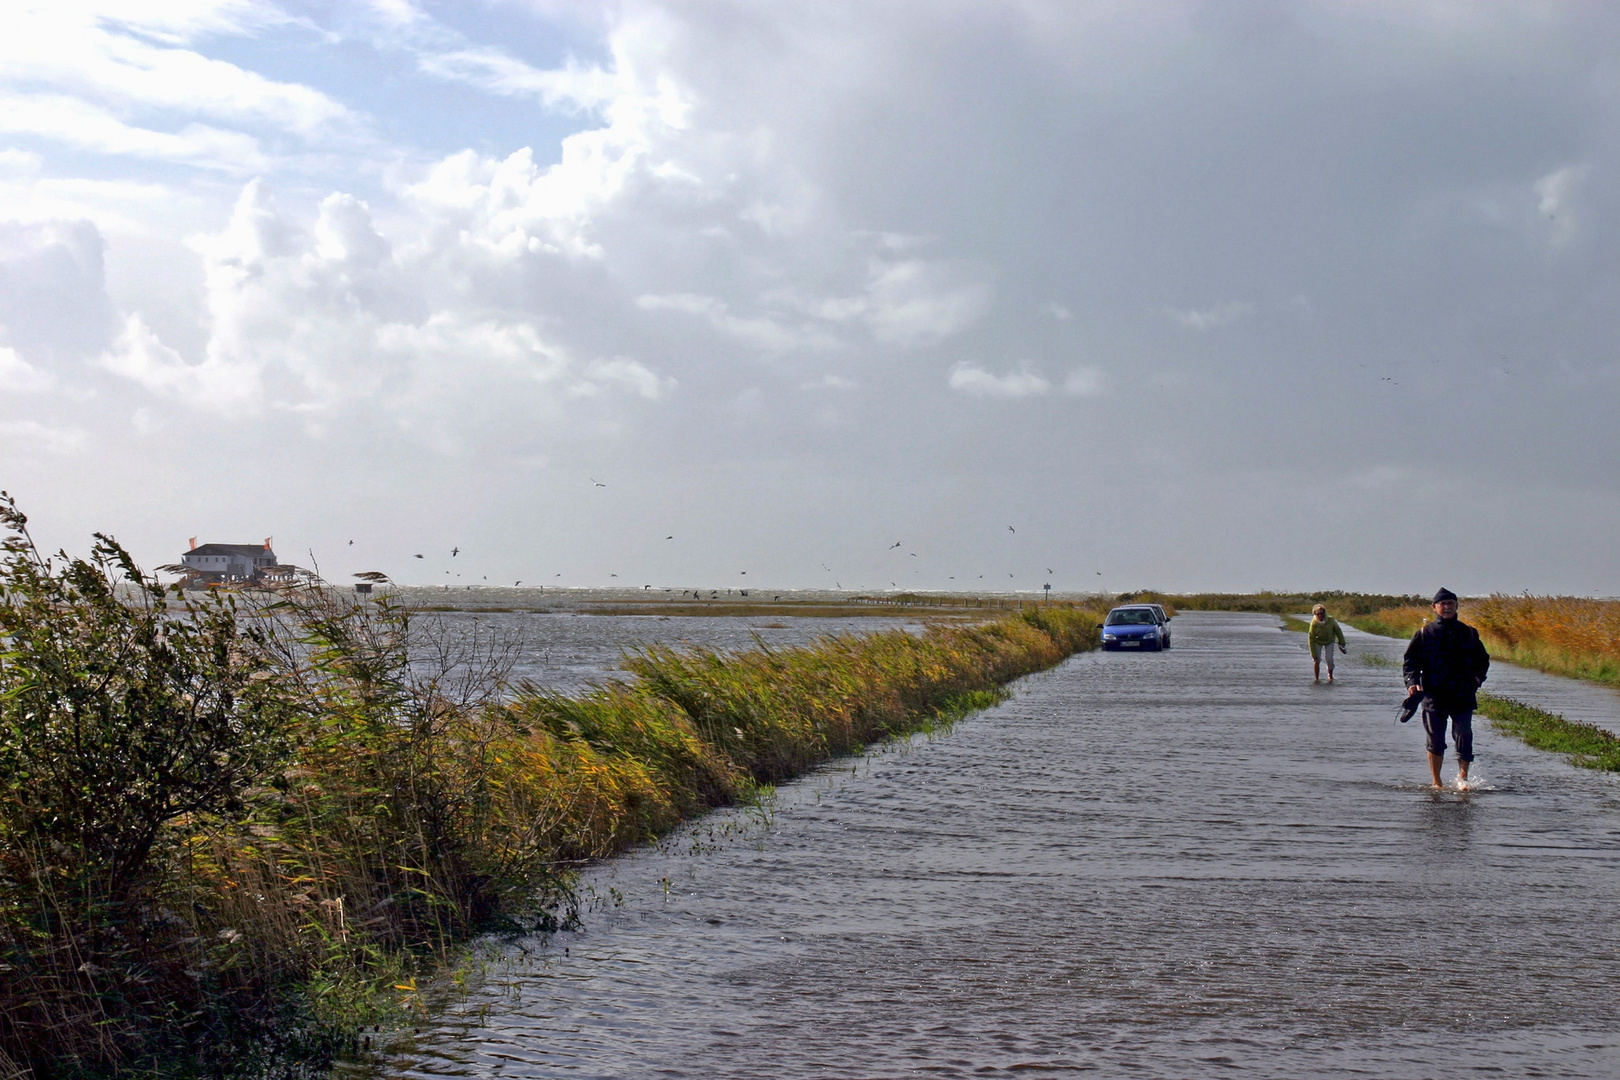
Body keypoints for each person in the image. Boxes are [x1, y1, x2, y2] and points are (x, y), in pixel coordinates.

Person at [1402, 588, 1491, 789]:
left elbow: (1482, 660)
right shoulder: (1424, 634)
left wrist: (1477, 680)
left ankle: (1463, 778)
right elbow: (1410, 662)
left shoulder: (1468, 632)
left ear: (1457, 606)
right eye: (1443, 604)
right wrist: (1412, 682)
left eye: (1451, 603)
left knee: (1464, 734)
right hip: (1433, 695)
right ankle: (1437, 783)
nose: (1447, 607)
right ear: (1435, 607)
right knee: (1435, 739)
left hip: (1463, 694)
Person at [1307, 604, 1347, 683]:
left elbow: (1338, 631)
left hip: (1329, 640)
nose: (1320, 615)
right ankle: (1317, 679)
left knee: (1329, 659)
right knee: (1316, 660)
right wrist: (1313, 654)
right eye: (1318, 614)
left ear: (1324, 613)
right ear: (1315, 614)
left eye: (1322, 613)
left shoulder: (1330, 620)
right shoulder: (1313, 624)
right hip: (1318, 641)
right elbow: (1311, 639)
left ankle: (1330, 676)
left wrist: (1342, 643)